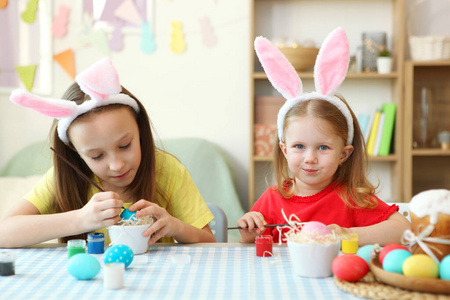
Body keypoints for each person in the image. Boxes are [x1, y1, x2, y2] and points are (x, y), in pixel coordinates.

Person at [0, 58, 216, 248]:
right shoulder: (64, 178)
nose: (116, 165)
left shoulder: (168, 170)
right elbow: (4, 233)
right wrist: (79, 220)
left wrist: (175, 226)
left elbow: (210, 243)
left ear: (139, 130)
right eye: (96, 156)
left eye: (124, 146)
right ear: (75, 151)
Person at [238, 28, 410, 246]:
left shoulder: (352, 198)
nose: (310, 158)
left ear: (344, 154)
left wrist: (345, 234)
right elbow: (252, 246)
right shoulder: (271, 200)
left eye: (323, 148)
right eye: (299, 146)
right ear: (284, 149)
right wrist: (248, 235)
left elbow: (402, 229)